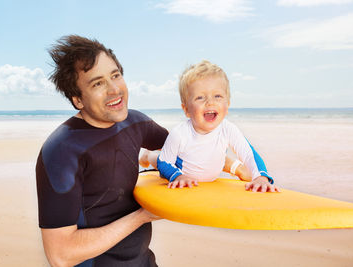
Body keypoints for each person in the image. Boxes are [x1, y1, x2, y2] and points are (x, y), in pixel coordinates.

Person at [35, 35, 169, 267]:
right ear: (78, 100)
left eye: (115, 75)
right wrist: (143, 216)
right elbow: (61, 255)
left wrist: (246, 167)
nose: (114, 89)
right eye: (98, 83)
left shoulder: (135, 123)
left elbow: (188, 150)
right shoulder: (62, 151)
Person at [140, 60, 279, 193]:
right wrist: (177, 176)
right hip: (180, 165)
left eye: (217, 96)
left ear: (228, 104)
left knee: (215, 154)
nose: (210, 102)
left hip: (210, 161)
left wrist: (261, 177)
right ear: (186, 109)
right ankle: (148, 155)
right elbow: (165, 162)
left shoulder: (228, 129)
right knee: (158, 160)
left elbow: (249, 154)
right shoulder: (179, 133)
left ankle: (237, 168)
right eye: (200, 97)